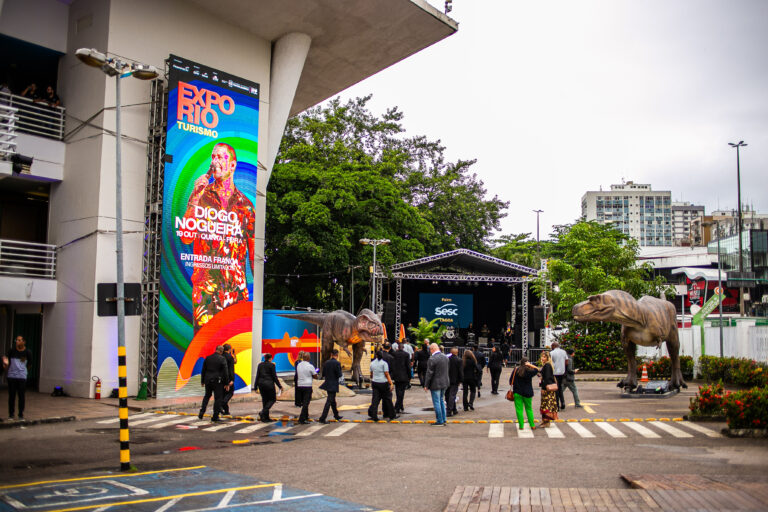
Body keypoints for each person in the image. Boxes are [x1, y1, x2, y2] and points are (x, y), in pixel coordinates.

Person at [181, 143, 256, 333]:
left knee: (234, 349)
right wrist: (194, 199)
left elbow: (255, 257)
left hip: (236, 293)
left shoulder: (246, 206)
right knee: (204, 347)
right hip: (206, 292)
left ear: (232, 165)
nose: (215, 161)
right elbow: (186, 238)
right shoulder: (201, 196)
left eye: (221, 157)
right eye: (213, 157)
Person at [198, 345, 230, 422]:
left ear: (215, 350)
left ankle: (202, 412)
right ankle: (215, 416)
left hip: (208, 380)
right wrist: (227, 383)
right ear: (221, 351)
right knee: (218, 398)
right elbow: (226, 372)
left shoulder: (208, 358)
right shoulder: (222, 359)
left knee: (207, 395)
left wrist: (202, 381)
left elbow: (203, 370)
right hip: (217, 381)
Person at [4, 336, 32, 420]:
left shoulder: (27, 352)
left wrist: (23, 371)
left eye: (19, 340)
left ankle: (20, 414)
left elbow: (29, 364)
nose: (17, 342)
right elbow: (7, 361)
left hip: (21, 377)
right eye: (16, 340)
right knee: (11, 396)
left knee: (21, 396)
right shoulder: (12, 351)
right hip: (12, 376)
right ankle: (11, 414)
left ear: (24, 342)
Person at [510, 357, 540, 430]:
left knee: (519, 410)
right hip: (527, 392)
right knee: (529, 409)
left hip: (517, 392)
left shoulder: (515, 370)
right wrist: (530, 365)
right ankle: (532, 425)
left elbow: (511, 381)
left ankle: (521, 426)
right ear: (527, 363)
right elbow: (537, 369)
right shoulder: (529, 371)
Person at [423, 342, 449, 426]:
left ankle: (439, 420)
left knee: (436, 402)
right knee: (441, 400)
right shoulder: (446, 357)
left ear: (432, 349)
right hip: (444, 382)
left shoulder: (432, 359)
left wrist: (426, 385)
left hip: (435, 383)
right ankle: (444, 418)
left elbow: (429, 373)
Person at [254, 353, 282, 422]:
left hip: (261, 385)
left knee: (265, 400)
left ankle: (265, 418)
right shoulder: (272, 365)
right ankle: (263, 412)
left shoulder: (260, 365)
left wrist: (255, 386)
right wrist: (279, 386)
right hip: (269, 385)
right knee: (272, 399)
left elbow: (257, 375)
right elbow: (274, 377)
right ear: (270, 358)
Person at [318, 349, 344, 424]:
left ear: (331, 354)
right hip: (333, 384)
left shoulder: (326, 362)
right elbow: (339, 375)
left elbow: (323, 374)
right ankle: (322, 418)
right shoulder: (337, 363)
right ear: (337, 355)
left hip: (327, 383)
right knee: (329, 401)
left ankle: (336, 415)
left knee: (332, 401)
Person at [368, 350, 393, 421]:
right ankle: (391, 415)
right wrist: (391, 383)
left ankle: (374, 415)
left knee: (375, 400)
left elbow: (371, 374)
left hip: (375, 382)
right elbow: (386, 374)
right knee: (388, 399)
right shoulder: (384, 363)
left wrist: (374, 378)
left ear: (376, 356)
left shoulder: (372, 363)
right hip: (383, 383)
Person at [538, 350, 558, 428]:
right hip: (547, 388)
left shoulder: (547, 366)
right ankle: (544, 421)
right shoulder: (547, 365)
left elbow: (547, 379)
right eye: (542, 356)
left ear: (548, 358)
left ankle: (547, 422)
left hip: (547, 389)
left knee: (547, 406)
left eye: (544, 357)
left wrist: (543, 388)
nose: (542, 358)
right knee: (544, 405)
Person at [295, 352, 317, 424]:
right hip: (307, 385)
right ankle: (301, 419)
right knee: (306, 403)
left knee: (304, 402)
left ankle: (306, 416)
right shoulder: (310, 366)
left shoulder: (298, 365)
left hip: (300, 385)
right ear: (308, 358)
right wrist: (315, 372)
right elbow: (315, 376)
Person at [390, 342, 411, 413]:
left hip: (396, 375)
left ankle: (400, 405)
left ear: (398, 347)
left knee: (398, 391)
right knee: (402, 392)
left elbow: (392, 364)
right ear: (403, 347)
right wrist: (409, 376)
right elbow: (408, 366)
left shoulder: (394, 354)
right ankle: (397, 406)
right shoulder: (406, 355)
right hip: (404, 375)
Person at [380, 342, 398, 419]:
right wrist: (391, 381)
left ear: (383, 347)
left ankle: (379, 412)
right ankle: (390, 413)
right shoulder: (391, 358)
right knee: (388, 397)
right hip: (387, 379)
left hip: (378, 379)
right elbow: (393, 370)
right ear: (390, 348)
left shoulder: (378, 356)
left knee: (377, 398)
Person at [550, 341, 568, 410]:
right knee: (560, 388)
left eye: (552, 346)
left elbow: (550, 362)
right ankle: (563, 403)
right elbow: (566, 361)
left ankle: (557, 405)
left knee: (555, 389)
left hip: (554, 373)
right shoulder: (564, 352)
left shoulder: (552, 353)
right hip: (562, 372)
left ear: (554, 346)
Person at [446, 347, 463, 417]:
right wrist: (461, 380)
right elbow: (460, 371)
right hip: (455, 380)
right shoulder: (459, 360)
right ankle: (449, 411)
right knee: (452, 395)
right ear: (457, 352)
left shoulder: (447, 359)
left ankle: (454, 409)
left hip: (447, 379)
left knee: (448, 395)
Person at [221, 343, 237, 415]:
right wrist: (232, 380)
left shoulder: (220, 356)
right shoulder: (230, 357)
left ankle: (226, 411)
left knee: (224, 394)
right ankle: (221, 404)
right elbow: (232, 367)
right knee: (230, 393)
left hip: (221, 378)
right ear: (229, 349)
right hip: (228, 378)